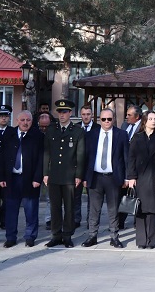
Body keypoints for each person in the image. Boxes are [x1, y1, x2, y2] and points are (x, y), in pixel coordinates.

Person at [82, 108, 129, 248]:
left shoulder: (122, 134)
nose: (107, 122)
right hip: (95, 177)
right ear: (99, 120)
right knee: (94, 209)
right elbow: (85, 157)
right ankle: (92, 236)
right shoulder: (91, 135)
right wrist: (84, 176)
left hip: (113, 177)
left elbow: (126, 158)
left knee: (113, 209)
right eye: (104, 119)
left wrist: (126, 178)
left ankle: (114, 237)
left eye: (109, 119)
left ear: (113, 119)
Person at [43, 99, 86, 248]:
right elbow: (46, 154)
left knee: (69, 207)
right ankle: (56, 235)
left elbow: (80, 155)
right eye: (60, 112)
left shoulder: (77, 131)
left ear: (70, 113)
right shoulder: (51, 130)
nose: (62, 115)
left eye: (65, 112)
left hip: (69, 176)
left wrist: (79, 175)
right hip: (54, 175)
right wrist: (45, 173)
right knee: (54, 207)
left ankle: (67, 235)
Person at [0, 110, 43, 248]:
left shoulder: (38, 136)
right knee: (11, 210)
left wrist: (37, 178)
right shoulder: (9, 135)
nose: (25, 123)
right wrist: (1, 177)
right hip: (12, 178)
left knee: (31, 210)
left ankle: (30, 236)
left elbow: (42, 160)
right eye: (22, 120)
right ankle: (10, 237)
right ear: (17, 121)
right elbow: (1, 158)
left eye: (28, 120)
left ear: (32, 121)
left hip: (30, 179)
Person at [127, 111, 155, 249]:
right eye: (150, 119)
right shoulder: (137, 138)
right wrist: (131, 177)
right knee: (140, 209)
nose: (153, 121)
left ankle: (151, 241)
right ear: (144, 121)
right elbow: (131, 159)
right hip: (139, 177)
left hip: (154, 177)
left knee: (152, 209)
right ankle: (141, 241)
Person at [74, 105, 100, 229]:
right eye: (83, 114)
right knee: (76, 195)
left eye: (88, 114)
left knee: (93, 196)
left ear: (92, 115)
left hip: (92, 166)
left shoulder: (98, 128)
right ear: (80, 114)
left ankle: (91, 220)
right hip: (77, 166)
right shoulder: (75, 127)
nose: (86, 116)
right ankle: (76, 219)